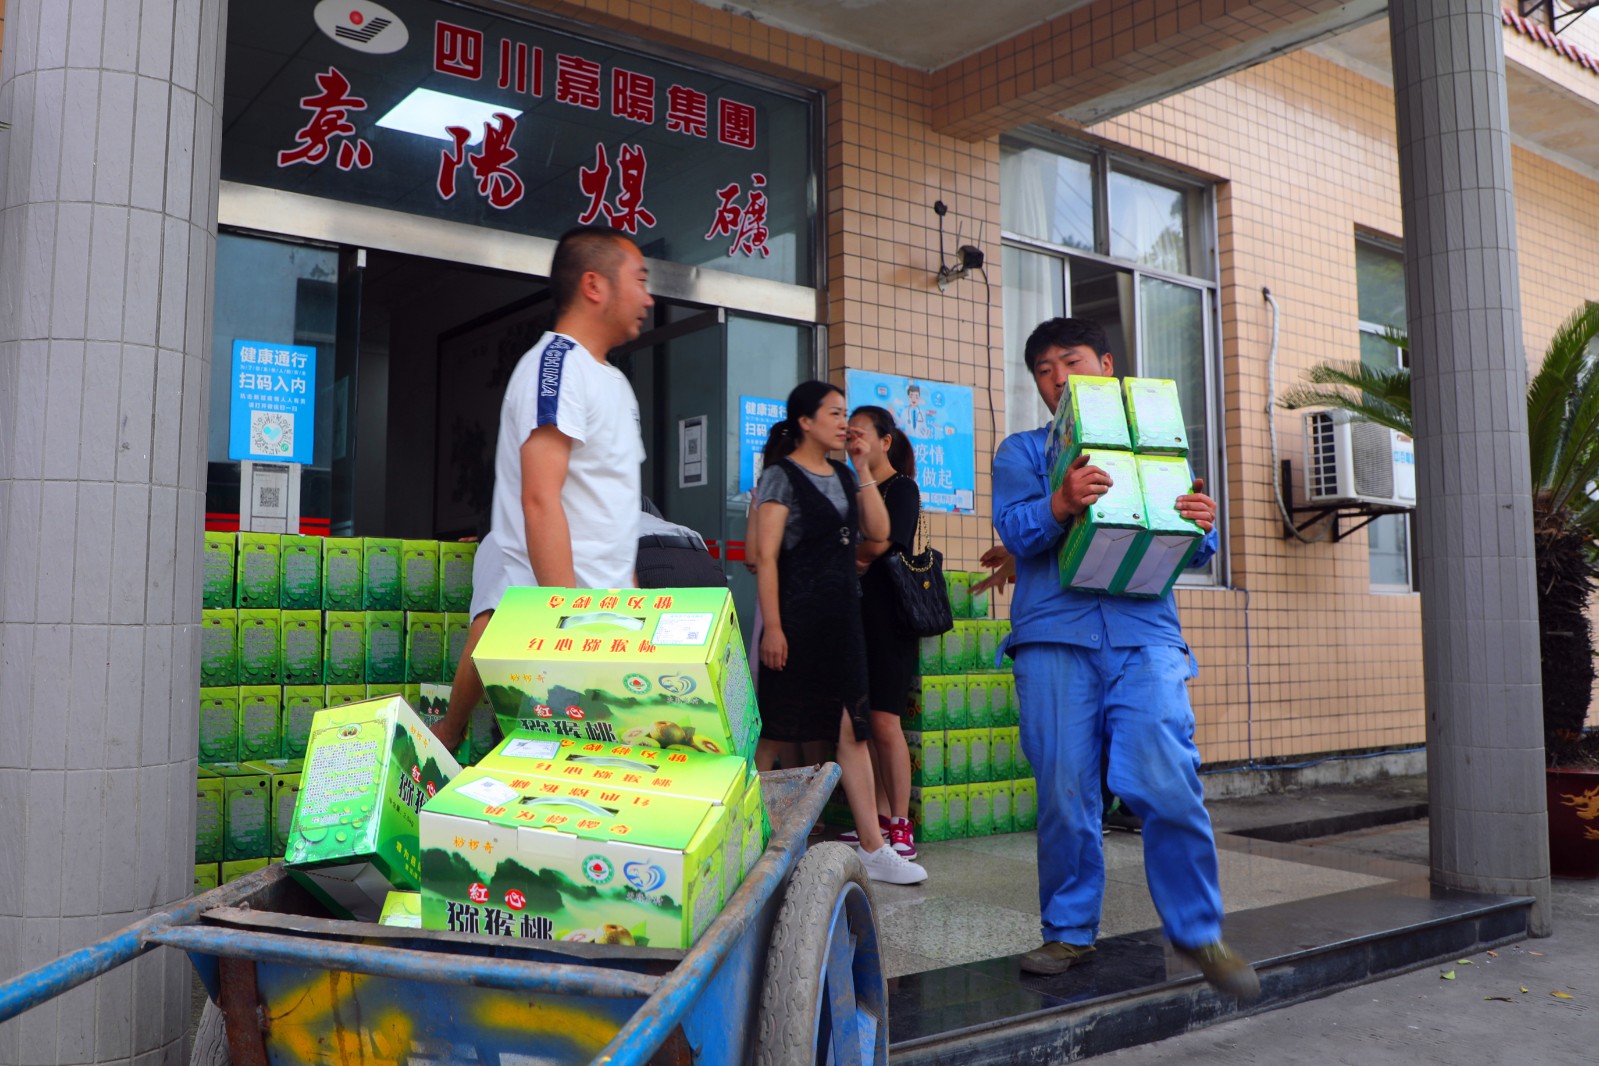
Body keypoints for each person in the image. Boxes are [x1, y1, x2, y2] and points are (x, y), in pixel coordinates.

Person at [992, 316, 1257, 999]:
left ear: (1106, 366)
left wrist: (1201, 523)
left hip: (1146, 638)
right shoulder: (1022, 451)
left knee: (1167, 778)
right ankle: (1068, 930)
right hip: (1053, 639)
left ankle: (1198, 929)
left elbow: (1188, 543)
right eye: (1043, 370)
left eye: (1071, 361)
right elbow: (1014, 531)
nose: (1057, 379)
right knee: (1065, 792)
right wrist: (1058, 502)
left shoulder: (1155, 442)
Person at [431, 226, 654, 749]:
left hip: (610, 631)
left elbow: (614, 514)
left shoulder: (614, 382)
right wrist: (567, 626)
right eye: (640, 279)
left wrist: (634, 611)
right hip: (564, 638)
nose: (648, 298)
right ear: (594, 285)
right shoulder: (556, 367)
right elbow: (539, 498)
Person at [752, 381, 928, 885]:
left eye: (845, 413)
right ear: (805, 422)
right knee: (776, 733)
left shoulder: (846, 475)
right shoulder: (781, 476)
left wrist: (863, 468)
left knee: (853, 727)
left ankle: (874, 848)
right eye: (833, 413)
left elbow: (879, 532)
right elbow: (765, 556)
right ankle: (751, 833)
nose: (843, 422)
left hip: (843, 620)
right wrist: (774, 628)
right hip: (796, 619)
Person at [835, 405, 922, 858]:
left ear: (885, 442)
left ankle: (902, 824)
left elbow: (883, 544)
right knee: (863, 724)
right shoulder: (851, 489)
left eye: (861, 434)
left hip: (891, 619)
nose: (853, 442)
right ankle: (880, 822)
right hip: (854, 617)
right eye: (848, 434)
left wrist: (858, 554)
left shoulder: (902, 488)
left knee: (887, 722)